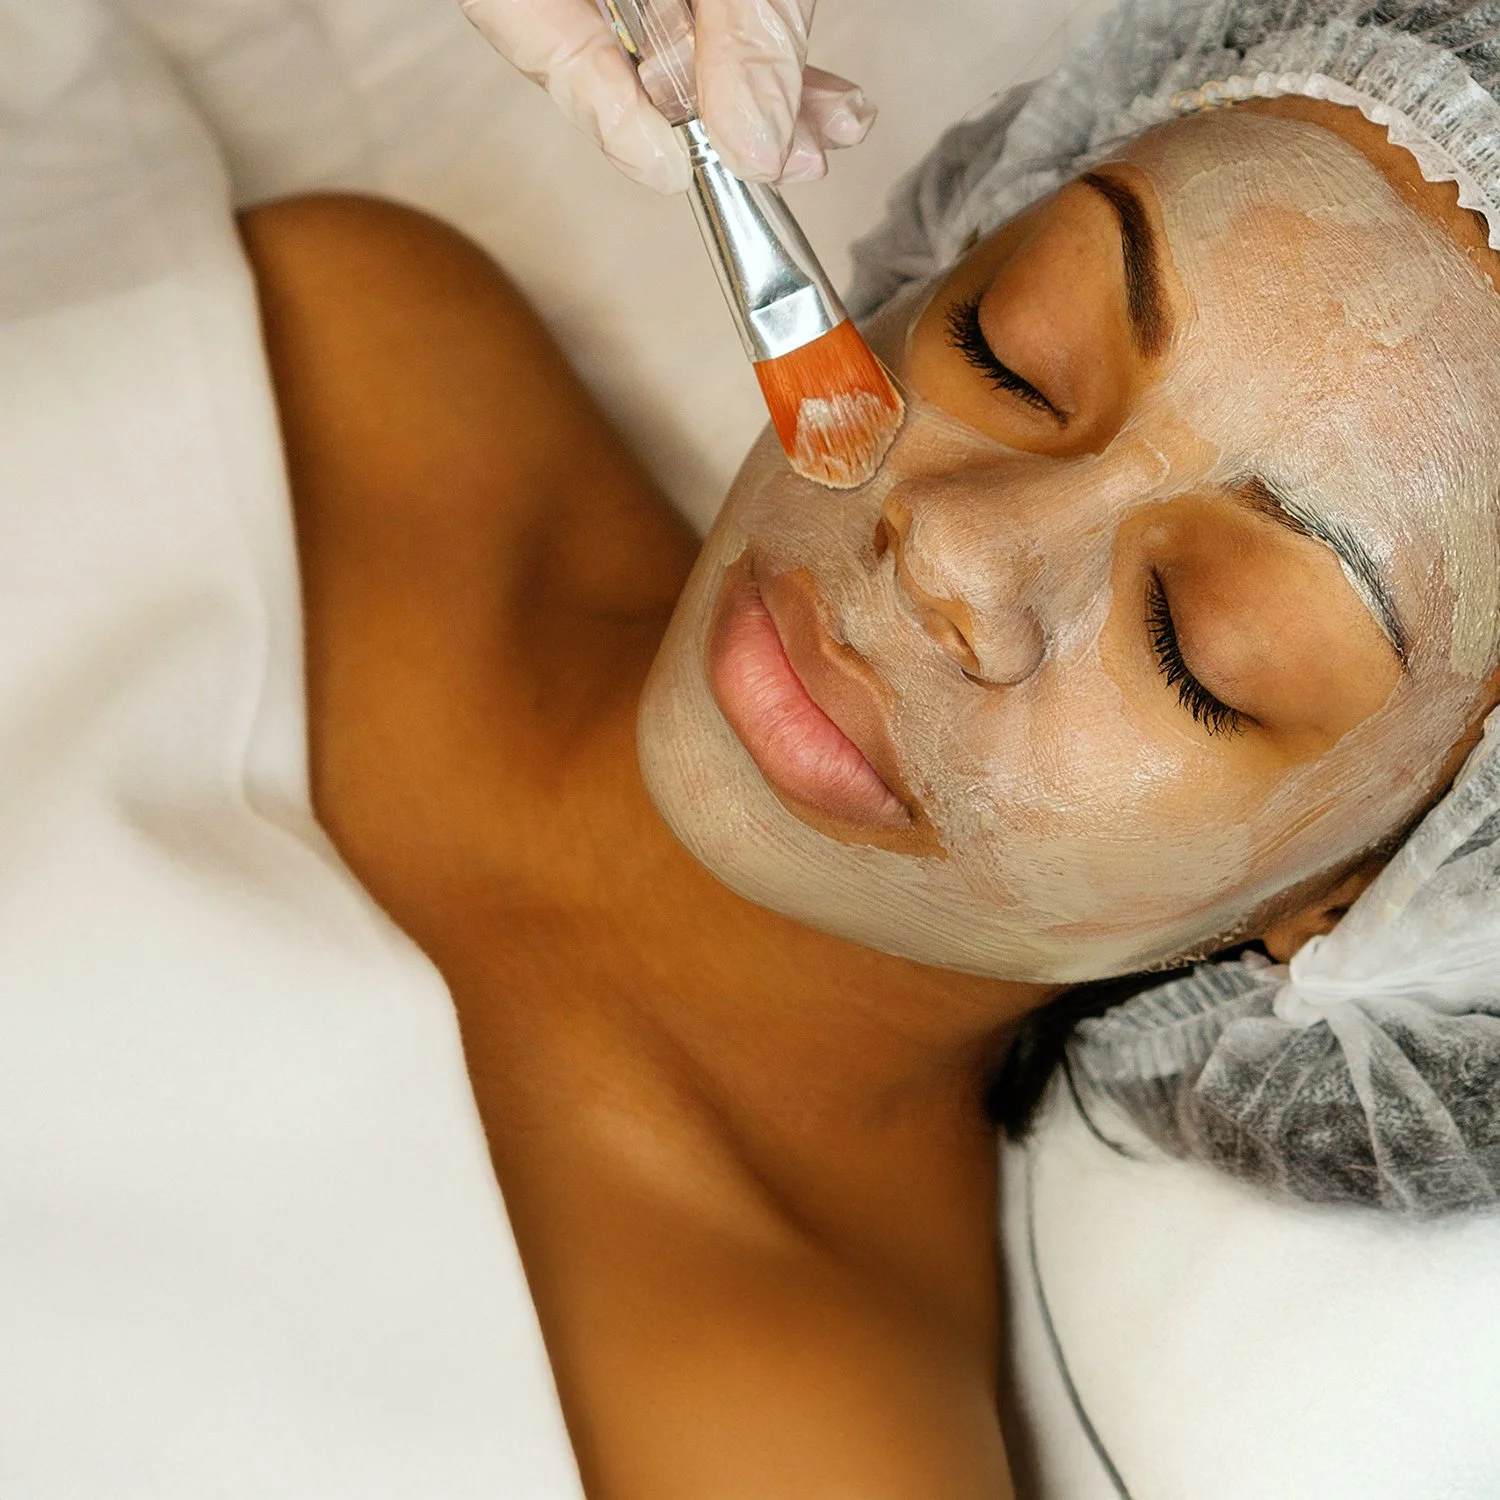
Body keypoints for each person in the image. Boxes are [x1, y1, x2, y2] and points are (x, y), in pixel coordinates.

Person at [240, 0, 1500, 1494]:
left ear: (1372, 908)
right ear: (942, 259)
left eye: (1200, 642)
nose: (955, 551)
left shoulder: (780, 1449)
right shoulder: (364, 347)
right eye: (1016, 354)